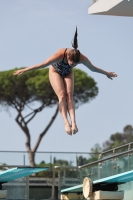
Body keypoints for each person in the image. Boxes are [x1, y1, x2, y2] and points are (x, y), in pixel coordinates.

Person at [14, 27, 117, 136]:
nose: (72, 64)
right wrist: (24, 70)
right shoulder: (59, 55)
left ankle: (74, 122)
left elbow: (93, 69)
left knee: (70, 96)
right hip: (55, 72)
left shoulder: (81, 58)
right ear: (67, 56)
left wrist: (106, 73)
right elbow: (42, 64)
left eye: (74, 64)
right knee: (62, 95)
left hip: (68, 73)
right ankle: (66, 123)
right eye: (71, 63)